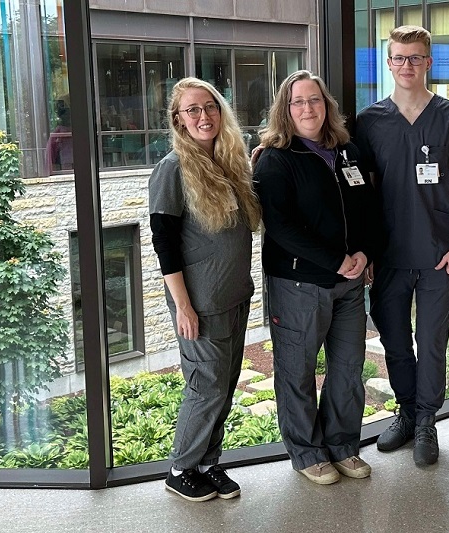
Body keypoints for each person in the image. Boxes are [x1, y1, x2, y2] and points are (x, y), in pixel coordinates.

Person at [356, 25, 449, 466]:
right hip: (388, 256)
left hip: (437, 256)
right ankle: (406, 412)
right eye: (399, 58)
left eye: (415, 58)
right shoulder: (369, 121)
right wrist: (367, 250)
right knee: (393, 341)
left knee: (431, 341)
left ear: (429, 62)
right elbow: (361, 190)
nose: (407, 65)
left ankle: (427, 419)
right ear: (388, 63)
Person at [253, 70, 378, 485]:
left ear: (327, 106)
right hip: (299, 285)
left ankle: (342, 446)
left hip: (349, 283)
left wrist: (363, 251)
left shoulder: (347, 151)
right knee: (297, 371)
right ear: (285, 111)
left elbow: (366, 209)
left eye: (315, 100)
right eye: (298, 102)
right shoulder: (275, 158)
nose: (308, 108)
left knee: (347, 368)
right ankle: (307, 452)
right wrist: (335, 260)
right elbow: (281, 226)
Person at [148, 77, 261, 501]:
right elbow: (163, 241)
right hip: (200, 300)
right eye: (191, 110)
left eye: (209, 106)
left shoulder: (230, 162)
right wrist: (182, 306)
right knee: (206, 385)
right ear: (178, 120)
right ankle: (180, 467)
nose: (203, 116)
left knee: (225, 384)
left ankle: (208, 462)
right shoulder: (173, 168)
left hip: (234, 293)